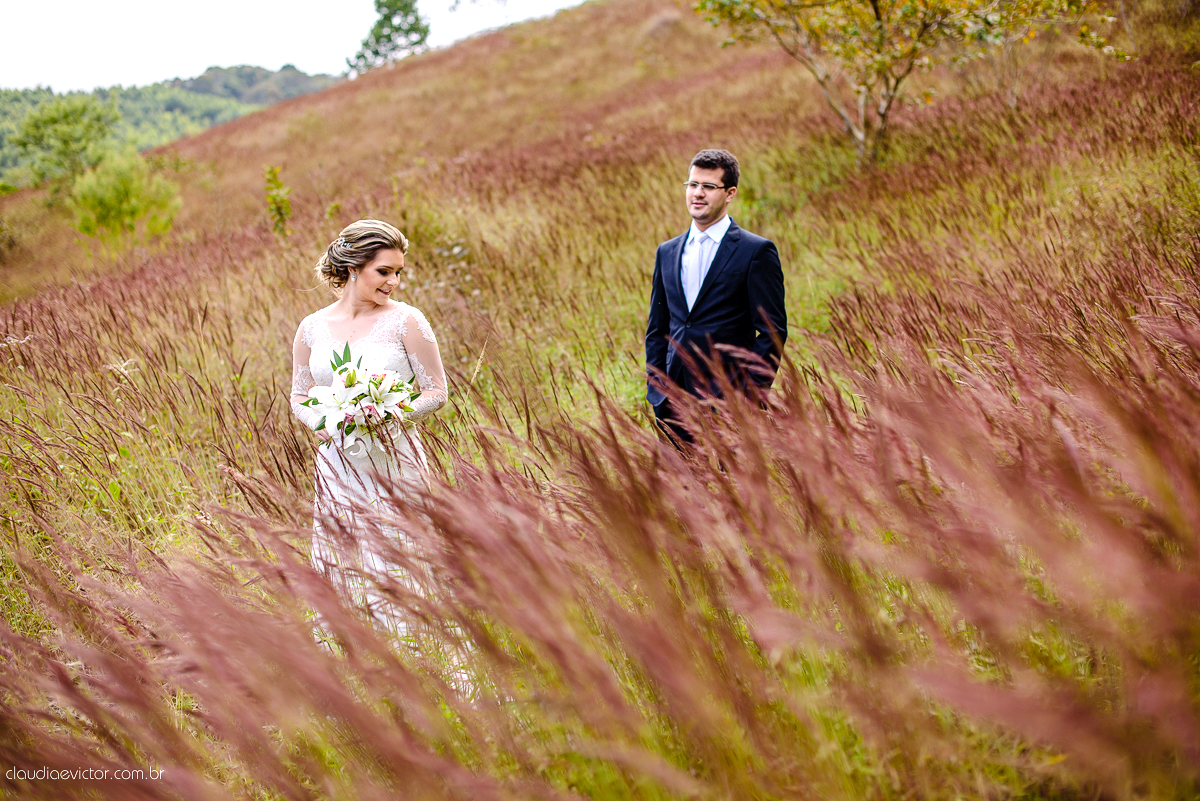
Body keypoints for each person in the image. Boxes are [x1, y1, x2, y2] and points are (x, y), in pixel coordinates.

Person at [289, 219, 448, 627]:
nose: (394, 281)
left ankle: (423, 653)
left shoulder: (407, 321)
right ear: (353, 267)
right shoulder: (311, 328)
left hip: (396, 461)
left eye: (399, 272)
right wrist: (322, 423)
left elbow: (436, 392)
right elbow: (300, 396)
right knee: (346, 564)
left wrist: (386, 413)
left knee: (402, 562)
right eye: (384, 271)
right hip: (339, 465)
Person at [644, 149, 787, 446]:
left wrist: (750, 396)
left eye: (708, 187)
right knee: (681, 489)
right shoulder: (667, 252)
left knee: (736, 490)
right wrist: (657, 388)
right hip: (673, 400)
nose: (697, 193)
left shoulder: (755, 252)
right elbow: (658, 328)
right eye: (692, 185)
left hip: (731, 401)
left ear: (730, 193)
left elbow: (772, 331)